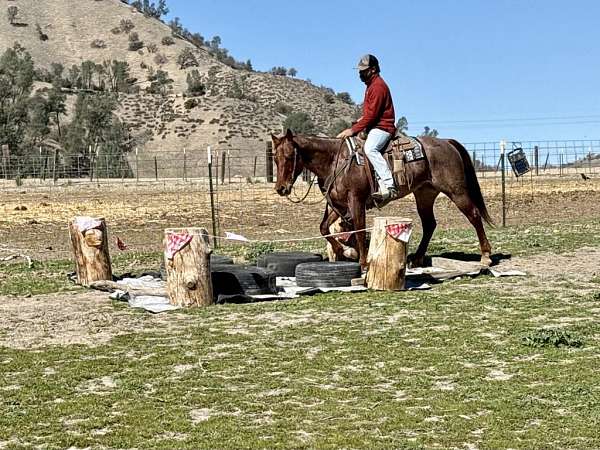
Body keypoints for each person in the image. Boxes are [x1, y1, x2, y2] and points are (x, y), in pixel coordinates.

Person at [337, 54, 398, 206]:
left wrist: (352, 130)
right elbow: (370, 113)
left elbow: (372, 116)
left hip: (383, 127)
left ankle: (389, 185)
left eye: (364, 70)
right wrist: (360, 122)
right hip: (375, 125)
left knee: (370, 149)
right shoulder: (371, 86)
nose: (360, 74)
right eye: (360, 70)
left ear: (373, 70)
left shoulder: (377, 86)